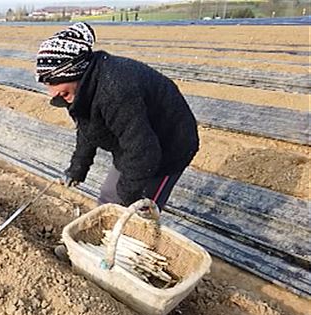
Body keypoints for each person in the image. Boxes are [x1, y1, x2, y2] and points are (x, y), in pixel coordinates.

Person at [36, 23, 199, 210]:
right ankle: (108, 233)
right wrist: (77, 168)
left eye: (55, 83)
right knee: (108, 197)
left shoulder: (115, 89)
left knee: (137, 213)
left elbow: (144, 152)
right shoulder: (81, 88)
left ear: (75, 71)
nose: (52, 93)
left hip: (168, 145)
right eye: (47, 84)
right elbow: (87, 128)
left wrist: (127, 200)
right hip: (136, 142)